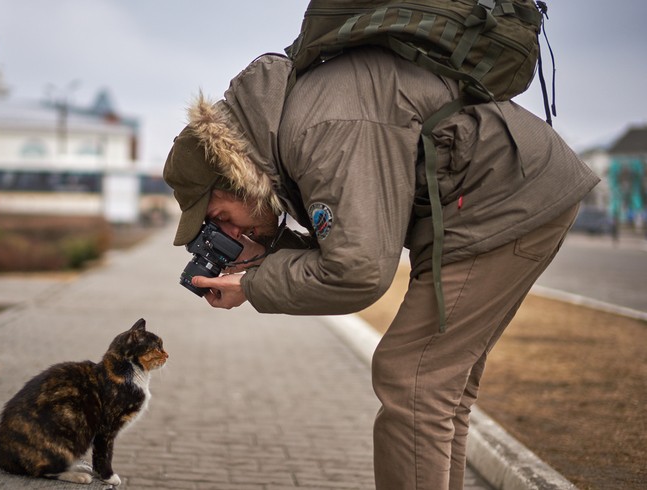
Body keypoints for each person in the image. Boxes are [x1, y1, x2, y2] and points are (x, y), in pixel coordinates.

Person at [163, 47, 598, 490]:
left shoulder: (320, 132)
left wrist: (252, 284)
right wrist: (264, 256)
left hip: (501, 202)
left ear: (232, 175)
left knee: (412, 382)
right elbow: (350, 237)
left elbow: (360, 272)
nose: (228, 232)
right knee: (439, 391)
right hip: (500, 194)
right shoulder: (293, 128)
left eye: (218, 218)